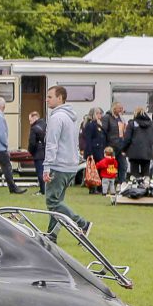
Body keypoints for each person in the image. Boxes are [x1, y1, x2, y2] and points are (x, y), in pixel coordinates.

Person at [43, 85, 91, 239]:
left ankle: (82, 223)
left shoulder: (56, 117)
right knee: (58, 203)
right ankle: (52, 235)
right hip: (70, 165)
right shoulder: (71, 118)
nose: (47, 99)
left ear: (60, 98)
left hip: (58, 165)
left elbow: (52, 143)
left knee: (52, 203)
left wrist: (46, 167)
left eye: (50, 96)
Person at [122, 106, 153, 179]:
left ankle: (135, 189)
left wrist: (124, 150)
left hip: (134, 153)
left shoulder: (132, 124)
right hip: (147, 153)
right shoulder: (152, 125)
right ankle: (145, 188)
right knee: (146, 174)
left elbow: (127, 139)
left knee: (134, 175)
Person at [81, 107, 106, 194]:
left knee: (100, 169)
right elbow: (88, 139)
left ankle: (99, 187)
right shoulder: (90, 125)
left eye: (100, 113)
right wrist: (90, 153)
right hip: (94, 150)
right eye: (98, 113)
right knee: (93, 170)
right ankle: (93, 188)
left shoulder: (99, 124)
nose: (100, 115)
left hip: (100, 149)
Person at [101, 102, 127, 184]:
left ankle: (122, 183)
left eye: (121, 108)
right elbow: (103, 131)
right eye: (119, 108)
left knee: (123, 165)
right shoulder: (107, 117)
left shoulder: (120, 118)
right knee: (110, 167)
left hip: (120, 145)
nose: (121, 110)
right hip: (111, 146)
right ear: (114, 108)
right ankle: (108, 184)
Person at [27, 110, 47, 195]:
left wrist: (30, 151)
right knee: (46, 172)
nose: (30, 123)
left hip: (38, 153)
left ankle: (43, 190)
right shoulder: (45, 125)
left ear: (35, 118)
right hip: (46, 152)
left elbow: (32, 143)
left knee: (40, 172)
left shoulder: (34, 128)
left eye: (30, 120)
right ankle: (46, 189)